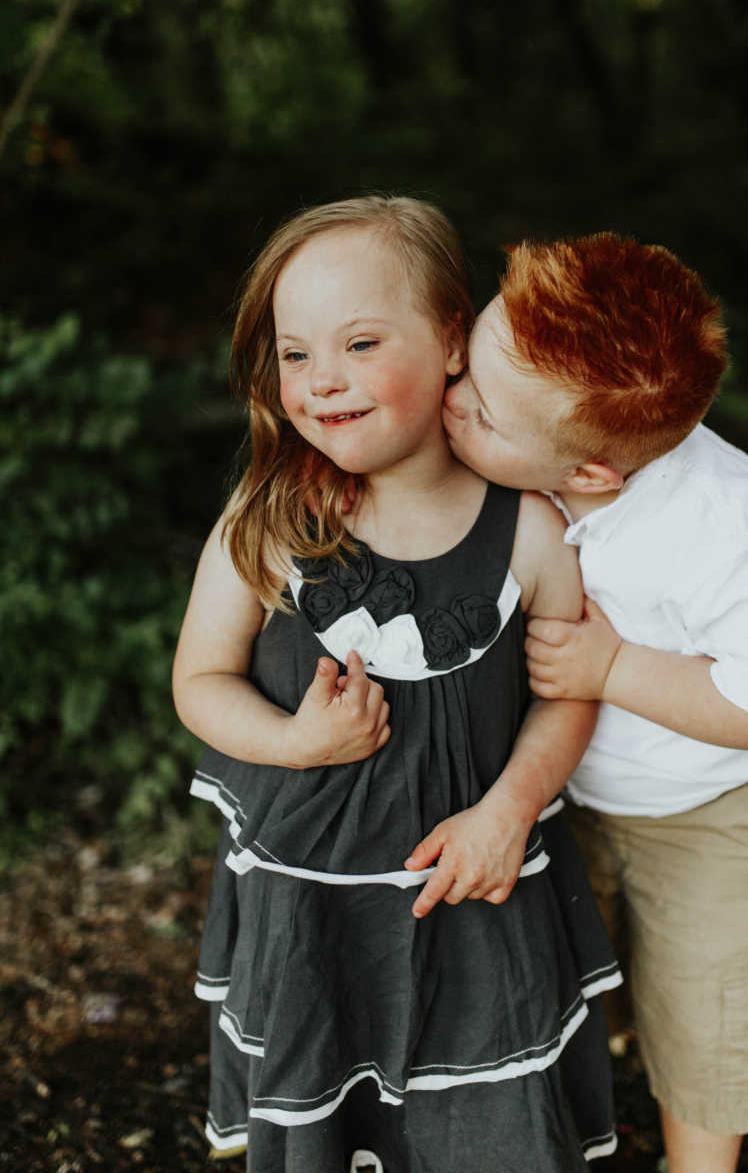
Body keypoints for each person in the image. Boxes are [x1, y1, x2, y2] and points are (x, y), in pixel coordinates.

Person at [172, 197, 622, 1173]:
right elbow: (200, 679)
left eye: (361, 342)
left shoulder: (529, 530)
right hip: (318, 904)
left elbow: (566, 688)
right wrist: (291, 741)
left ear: (453, 340)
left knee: (481, 1127)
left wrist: (509, 809)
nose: (321, 379)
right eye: (296, 355)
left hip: (474, 896)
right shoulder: (272, 520)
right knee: (329, 1126)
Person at [442, 231, 748, 1173]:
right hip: (593, 788)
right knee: (606, 966)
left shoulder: (739, 535)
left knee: (712, 997)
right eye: (469, 360)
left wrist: (615, 668)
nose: (453, 402)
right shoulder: (535, 454)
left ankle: (698, 1161)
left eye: (486, 415)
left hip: (725, 809)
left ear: (592, 475)